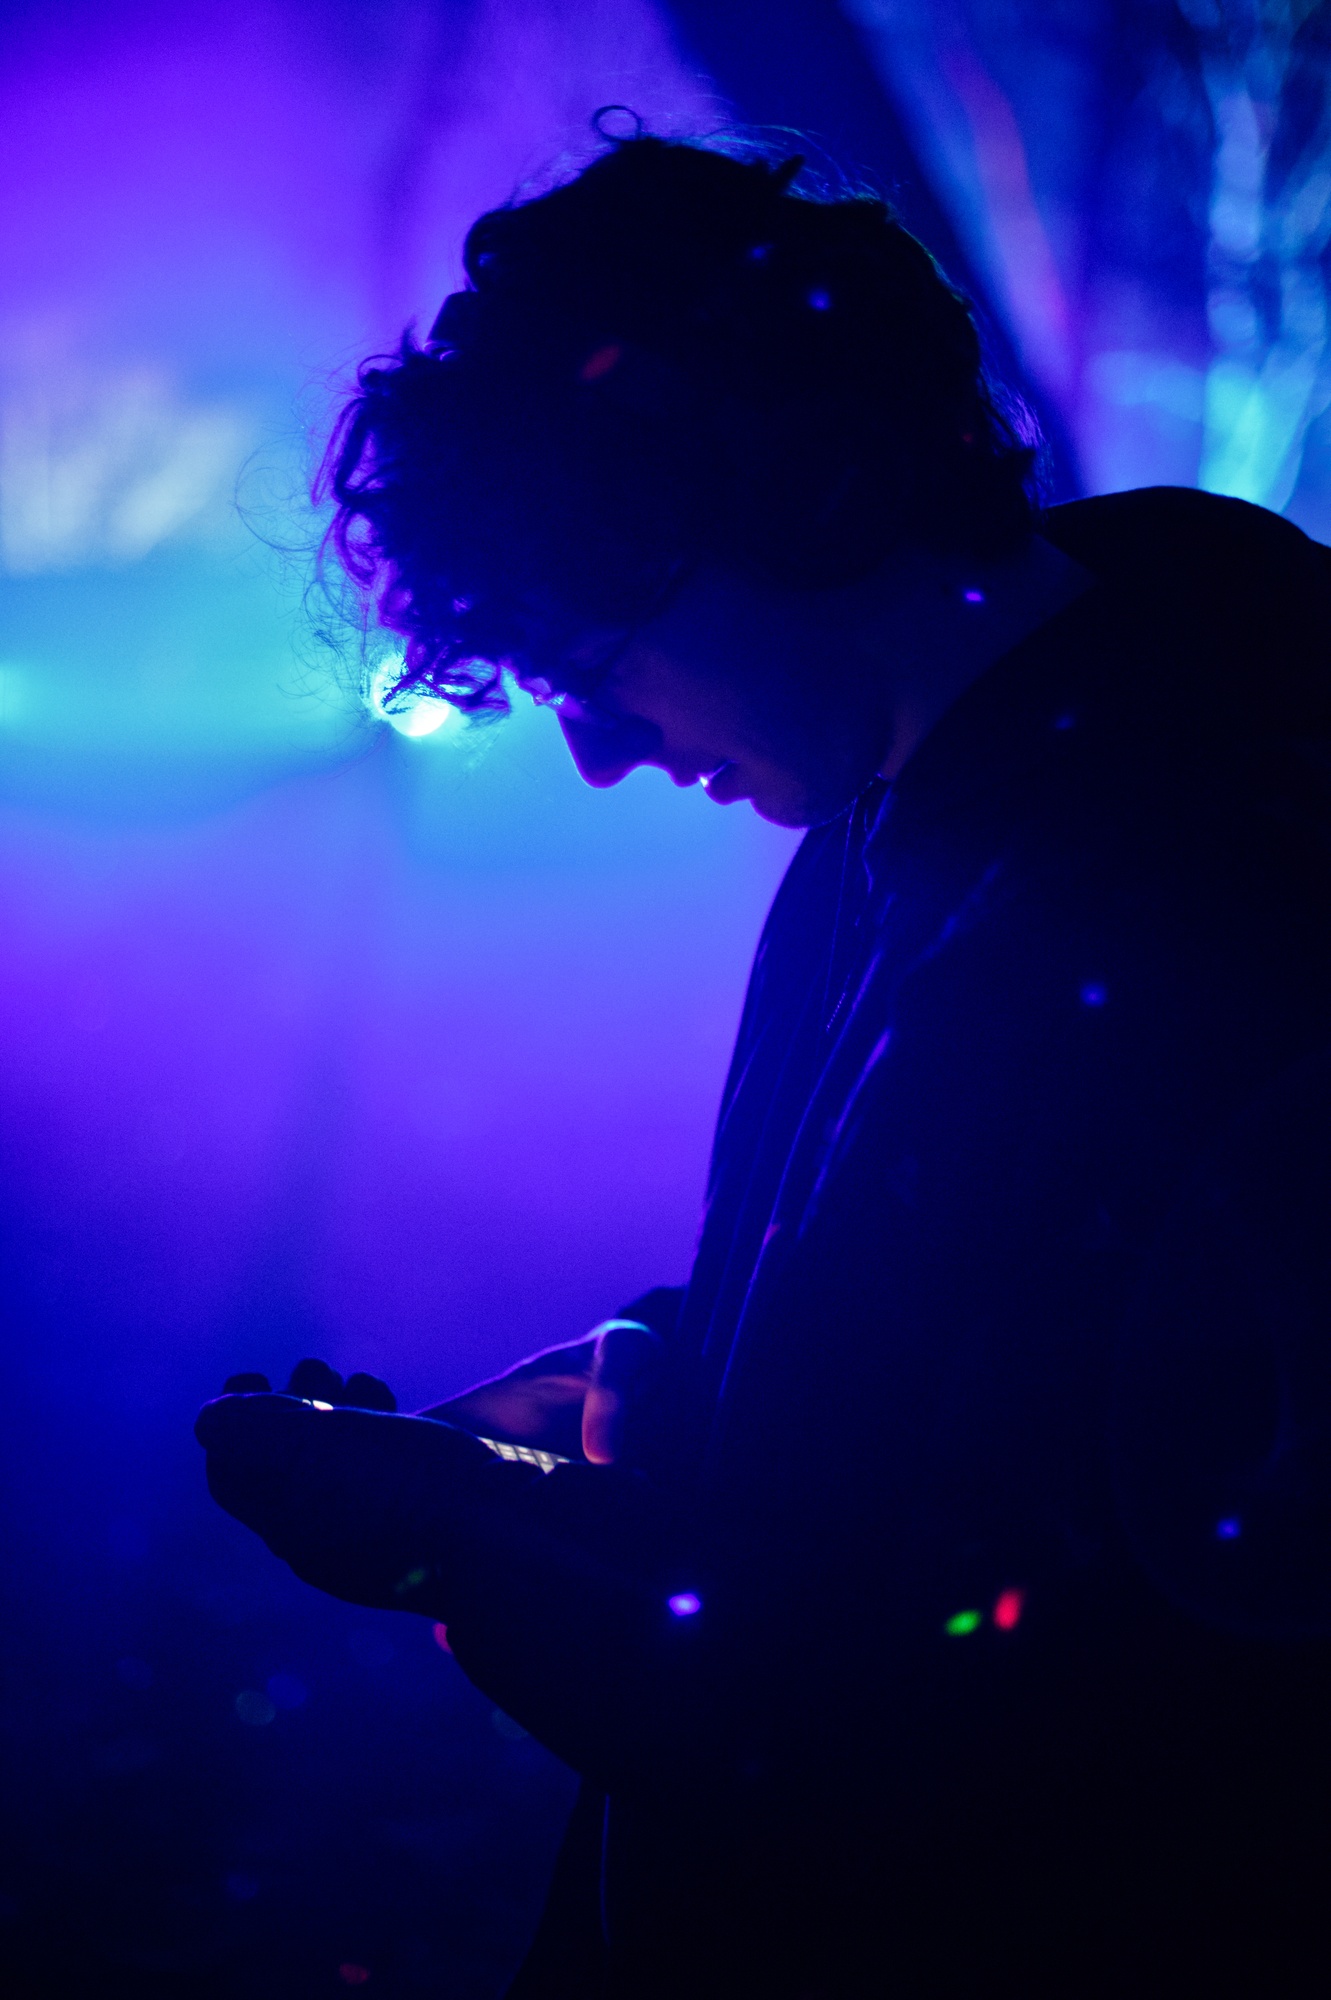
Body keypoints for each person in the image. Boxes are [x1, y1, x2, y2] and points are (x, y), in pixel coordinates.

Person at [196, 135, 1331, 1996]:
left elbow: (1023, 1720)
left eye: (598, 658)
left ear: (807, 489)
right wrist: (659, 1371)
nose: (599, 752)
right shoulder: (912, 824)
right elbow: (958, 1351)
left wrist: (481, 1547)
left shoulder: (1208, 887)